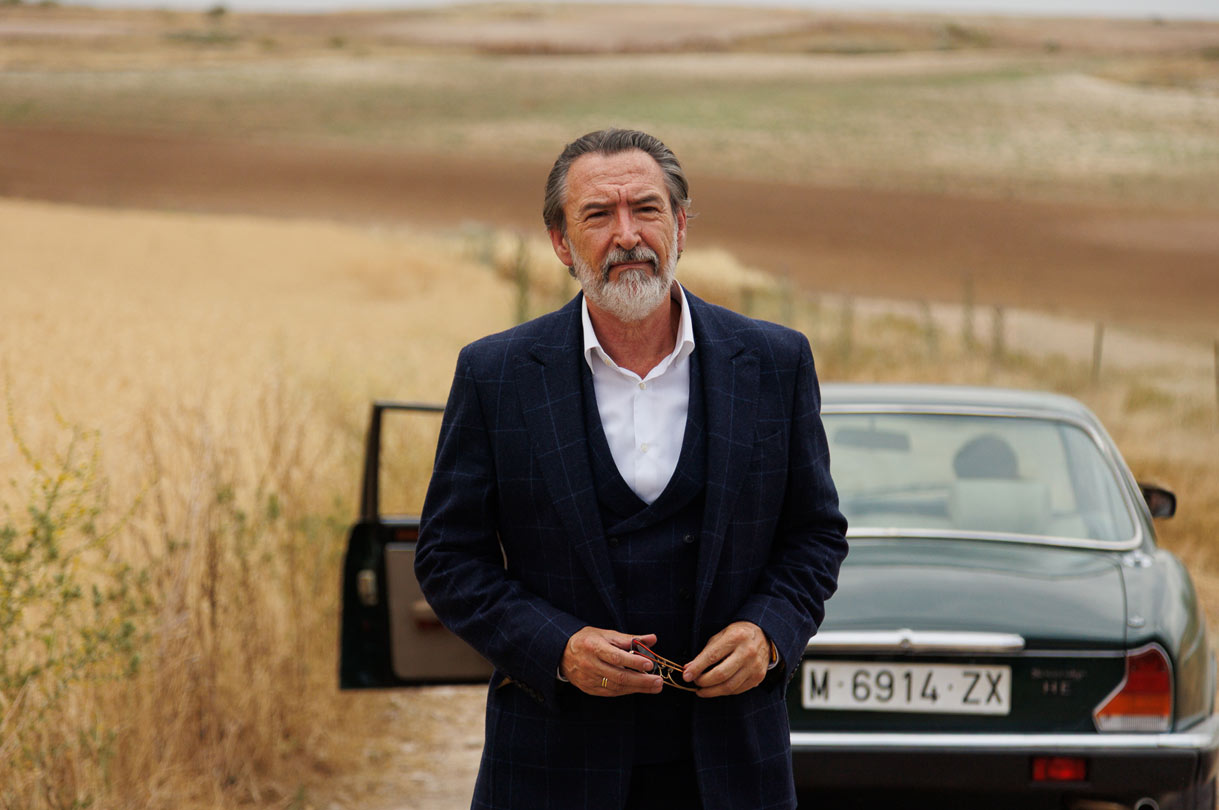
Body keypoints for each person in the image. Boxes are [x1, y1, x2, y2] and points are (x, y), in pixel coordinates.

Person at [415, 128, 848, 810]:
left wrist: (768, 632)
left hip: (732, 768)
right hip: (551, 768)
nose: (627, 235)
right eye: (597, 214)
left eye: (645, 209)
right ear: (561, 243)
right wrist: (557, 648)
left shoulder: (774, 363)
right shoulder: (496, 375)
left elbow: (814, 536)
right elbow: (447, 558)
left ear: (680, 226)